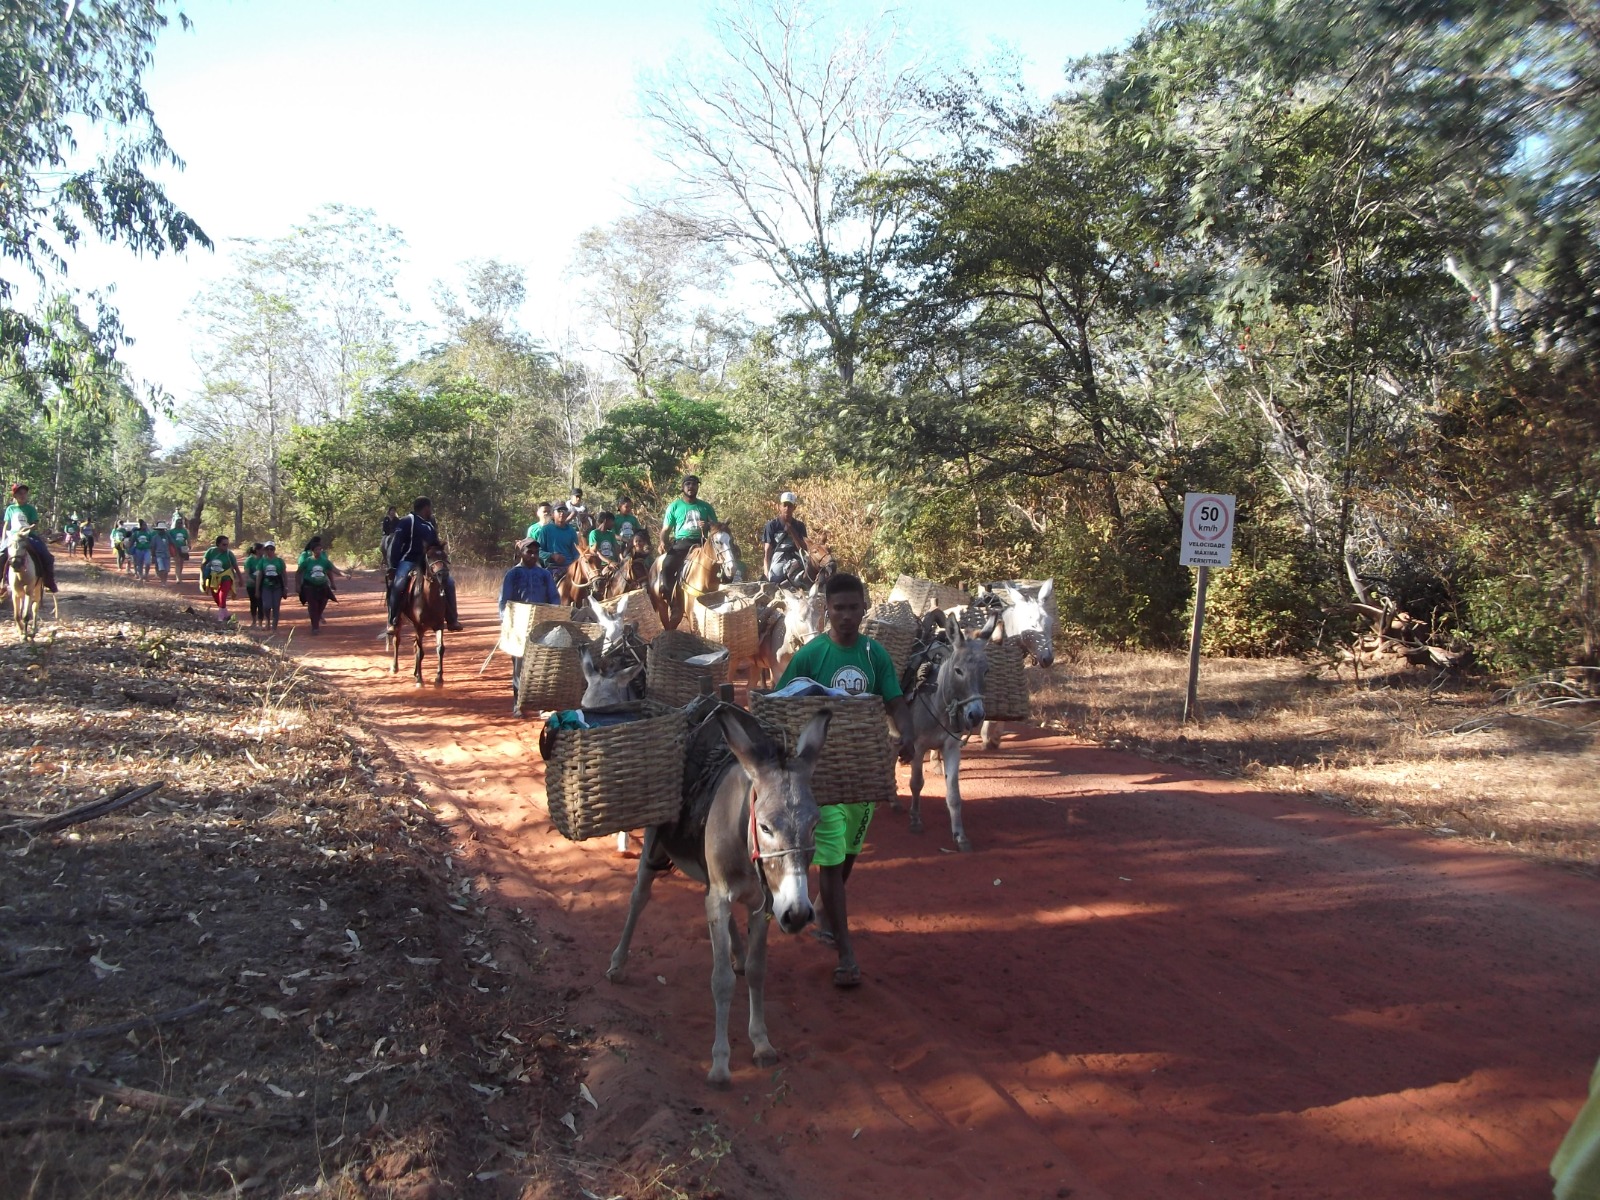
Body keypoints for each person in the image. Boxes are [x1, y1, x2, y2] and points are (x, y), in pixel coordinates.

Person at [776, 572, 914, 990]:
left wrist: (905, 732)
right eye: (839, 608)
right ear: (827, 611)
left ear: (864, 608)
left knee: (849, 855)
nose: (847, 615)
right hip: (822, 778)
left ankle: (828, 919)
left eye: (854, 607)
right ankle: (846, 955)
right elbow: (782, 703)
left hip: (863, 774)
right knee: (832, 865)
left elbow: (894, 700)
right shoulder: (810, 655)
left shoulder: (875, 656)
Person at [387, 497, 462, 631]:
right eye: (430, 508)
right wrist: (393, 565)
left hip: (428, 563)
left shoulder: (430, 524)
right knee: (399, 584)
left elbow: (434, 545)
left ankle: (452, 619)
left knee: (449, 582)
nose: (431, 511)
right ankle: (393, 619)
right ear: (426, 508)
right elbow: (396, 544)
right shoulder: (407, 521)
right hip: (409, 560)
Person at [500, 538, 560, 695]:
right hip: (519, 625)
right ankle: (517, 702)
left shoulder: (544, 574)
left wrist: (554, 613)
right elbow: (504, 602)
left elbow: (554, 597)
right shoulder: (512, 574)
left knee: (542, 663)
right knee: (519, 664)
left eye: (536, 552)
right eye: (529, 552)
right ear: (521, 553)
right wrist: (507, 621)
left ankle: (539, 700)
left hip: (541, 624)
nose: (533, 556)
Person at [657, 475, 716, 594]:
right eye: (688, 484)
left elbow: (716, 527)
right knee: (667, 565)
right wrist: (663, 541)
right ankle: (670, 597)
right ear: (682, 487)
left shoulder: (706, 507)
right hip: (682, 543)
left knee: (722, 563)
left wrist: (707, 526)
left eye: (694, 484)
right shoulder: (674, 506)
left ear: (698, 487)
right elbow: (666, 529)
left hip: (702, 543)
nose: (691, 487)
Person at [1, 483, 58, 593]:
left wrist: (27, 529)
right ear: (14, 496)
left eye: (24, 493)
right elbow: (6, 525)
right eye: (19, 493)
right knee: (1, 555)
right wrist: (3, 540)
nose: (22, 496)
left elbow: (35, 524)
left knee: (47, 556)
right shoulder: (10, 509)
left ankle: (48, 582)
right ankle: (2, 583)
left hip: (29, 536)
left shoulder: (30, 509)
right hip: (13, 537)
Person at [762, 491, 811, 585]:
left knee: (807, 580)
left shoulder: (799, 526)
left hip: (796, 558)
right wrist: (766, 572)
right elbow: (767, 551)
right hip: (778, 559)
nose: (787, 508)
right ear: (779, 506)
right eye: (784, 505)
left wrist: (792, 532)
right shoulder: (772, 525)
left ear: (794, 508)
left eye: (790, 506)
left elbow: (804, 548)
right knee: (775, 580)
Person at [297, 536, 339, 633]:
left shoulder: (324, 557)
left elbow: (329, 569)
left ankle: (317, 616)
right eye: (317, 548)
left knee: (323, 602)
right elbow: (300, 570)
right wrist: (299, 584)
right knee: (313, 604)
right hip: (309, 583)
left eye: (320, 548)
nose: (319, 551)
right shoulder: (305, 556)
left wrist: (333, 581)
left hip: (323, 583)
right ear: (313, 549)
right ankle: (315, 626)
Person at [533, 504, 581, 577]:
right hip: (552, 567)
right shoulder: (546, 530)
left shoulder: (571, 531)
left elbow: (576, 552)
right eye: (559, 511)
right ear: (552, 514)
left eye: (564, 511)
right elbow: (538, 551)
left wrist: (576, 564)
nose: (562, 513)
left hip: (570, 567)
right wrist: (552, 556)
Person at [200, 535, 240, 621]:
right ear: (218, 544)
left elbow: (236, 566)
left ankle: (221, 618)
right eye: (224, 544)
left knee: (222, 596)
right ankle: (226, 614)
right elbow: (203, 565)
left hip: (226, 577)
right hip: (213, 577)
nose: (226, 547)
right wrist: (203, 578)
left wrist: (241, 579)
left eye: (227, 545)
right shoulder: (210, 552)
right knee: (216, 598)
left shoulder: (229, 554)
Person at [255, 540, 287, 630]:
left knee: (276, 606)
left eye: (271, 549)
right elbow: (259, 575)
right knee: (266, 605)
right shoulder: (262, 561)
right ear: (265, 550)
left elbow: (284, 574)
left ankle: (274, 626)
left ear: (274, 549)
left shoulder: (279, 561)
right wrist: (257, 590)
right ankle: (267, 620)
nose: (269, 551)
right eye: (267, 549)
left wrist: (285, 587)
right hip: (266, 586)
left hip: (277, 586)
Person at [242, 542, 264, 626]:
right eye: (262, 549)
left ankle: (260, 621)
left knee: (261, 603)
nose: (264, 551)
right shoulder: (249, 560)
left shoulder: (264, 559)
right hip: (251, 585)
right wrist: (252, 580)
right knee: (253, 602)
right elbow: (247, 573)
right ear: (257, 550)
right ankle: (254, 620)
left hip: (262, 584)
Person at [169, 517, 191, 582]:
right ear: (175, 523)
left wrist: (189, 545)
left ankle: (179, 574)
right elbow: (169, 539)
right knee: (177, 562)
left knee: (181, 562)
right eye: (178, 523)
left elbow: (187, 538)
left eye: (180, 523)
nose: (179, 524)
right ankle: (178, 577)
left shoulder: (184, 531)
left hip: (183, 547)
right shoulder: (172, 531)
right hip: (175, 548)